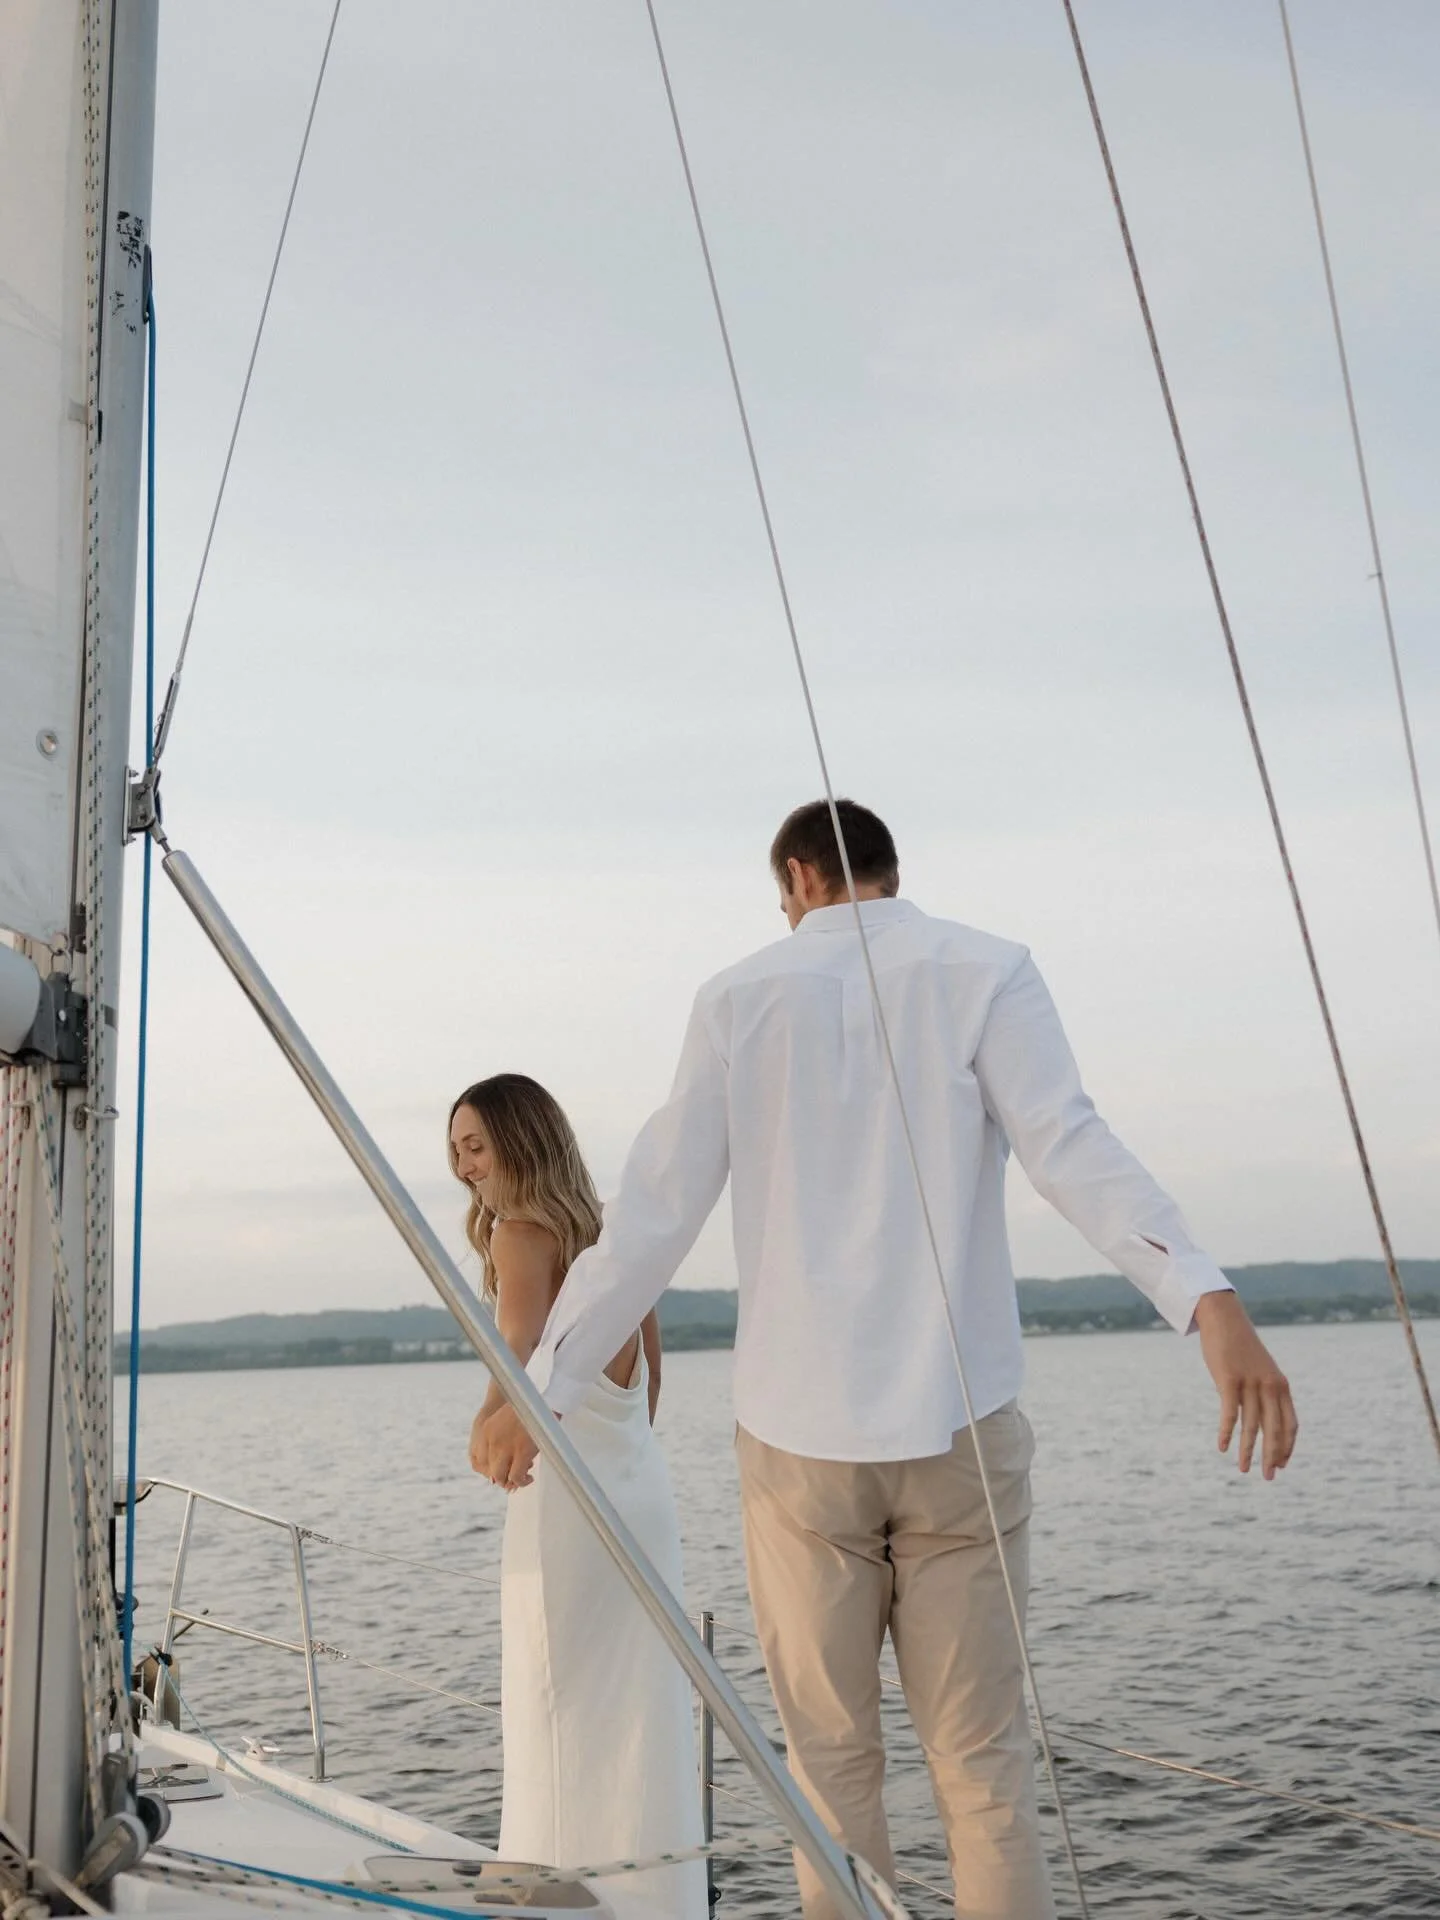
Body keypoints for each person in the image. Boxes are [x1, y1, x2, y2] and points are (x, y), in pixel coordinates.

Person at [480, 800, 1300, 1920]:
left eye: (782, 897)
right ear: (890, 871)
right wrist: (1205, 1300)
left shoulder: (737, 998)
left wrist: (539, 1388)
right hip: (962, 1426)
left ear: (803, 875)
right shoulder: (990, 970)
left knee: (829, 1770)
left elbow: (655, 1218)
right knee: (984, 1770)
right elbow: (1071, 1145)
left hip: (798, 1449)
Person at [450, 1073, 707, 1920]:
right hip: (637, 1497)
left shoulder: (522, 1233)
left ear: (522, 1143)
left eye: (476, 1145)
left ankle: (555, 1895)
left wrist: (489, 1419)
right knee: (636, 1709)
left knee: (554, 1700)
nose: (462, 1166)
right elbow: (652, 1387)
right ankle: (649, 1894)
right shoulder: (603, 1244)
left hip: (566, 1507)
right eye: (454, 1150)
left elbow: (517, 1339)